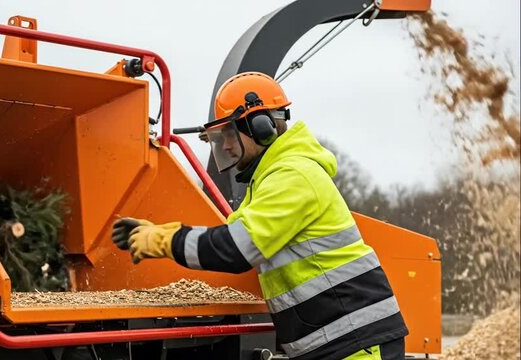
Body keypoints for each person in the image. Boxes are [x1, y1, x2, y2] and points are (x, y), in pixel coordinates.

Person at [111, 72, 408, 359]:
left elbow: (234, 249)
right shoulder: (270, 181)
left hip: (355, 342)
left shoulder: (293, 176)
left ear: (261, 127)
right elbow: (228, 237)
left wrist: (162, 239)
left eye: (229, 133)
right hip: (341, 341)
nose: (225, 146)